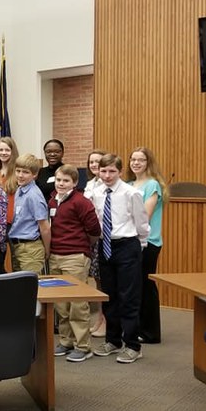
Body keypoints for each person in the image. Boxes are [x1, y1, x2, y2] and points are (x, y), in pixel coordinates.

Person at [90, 154, 150, 364]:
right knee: (110, 295)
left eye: (112, 172)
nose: (107, 176)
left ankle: (133, 345)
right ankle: (113, 341)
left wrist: (140, 244)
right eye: (103, 171)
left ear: (120, 172)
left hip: (127, 245)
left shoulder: (131, 193)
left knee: (128, 297)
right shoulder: (96, 193)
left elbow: (141, 221)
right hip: (106, 246)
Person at [48, 164, 102, 362]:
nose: (61, 184)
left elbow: (94, 229)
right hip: (55, 256)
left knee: (77, 303)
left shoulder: (81, 201)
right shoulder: (53, 200)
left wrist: (82, 246)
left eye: (66, 181)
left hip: (75, 257)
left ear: (75, 183)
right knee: (61, 305)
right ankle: (66, 341)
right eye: (59, 180)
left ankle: (83, 345)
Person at [125, 147, 168, 344]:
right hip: (130, 240)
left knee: (146, 286)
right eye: (133, 159)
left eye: (140, 160)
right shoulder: (129, 184)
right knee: (136, 287)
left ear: (148, 163)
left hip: (148, 242)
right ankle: (139, 328)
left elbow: (145, 215)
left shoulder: (152, 185)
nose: (136, 163)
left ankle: (152, 332)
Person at [7, 154, 50, 274]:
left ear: (34, 175)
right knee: (19, 286)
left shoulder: (34, 195)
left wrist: (47, 250)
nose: (20, 175)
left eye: (25, 172)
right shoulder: (20, 190)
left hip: (31, 248)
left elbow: (44, 226)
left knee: (32, 286)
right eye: (18, 171)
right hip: (17, 246)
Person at [83, 149, 107, 337]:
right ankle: (99, 319)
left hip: (106, 238)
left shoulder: (107, 185)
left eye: (98, 162)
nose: (94, 165)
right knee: (97, 281)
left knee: (105, 282)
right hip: (92, 237)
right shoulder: (90, 183)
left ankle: (106, 320)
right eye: (91, 162)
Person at [0, 136, 19, 229]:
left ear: (12, 152)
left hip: (12, 221)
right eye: (0, 150)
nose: (3, 153)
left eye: (7, 150)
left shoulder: (18, 172)